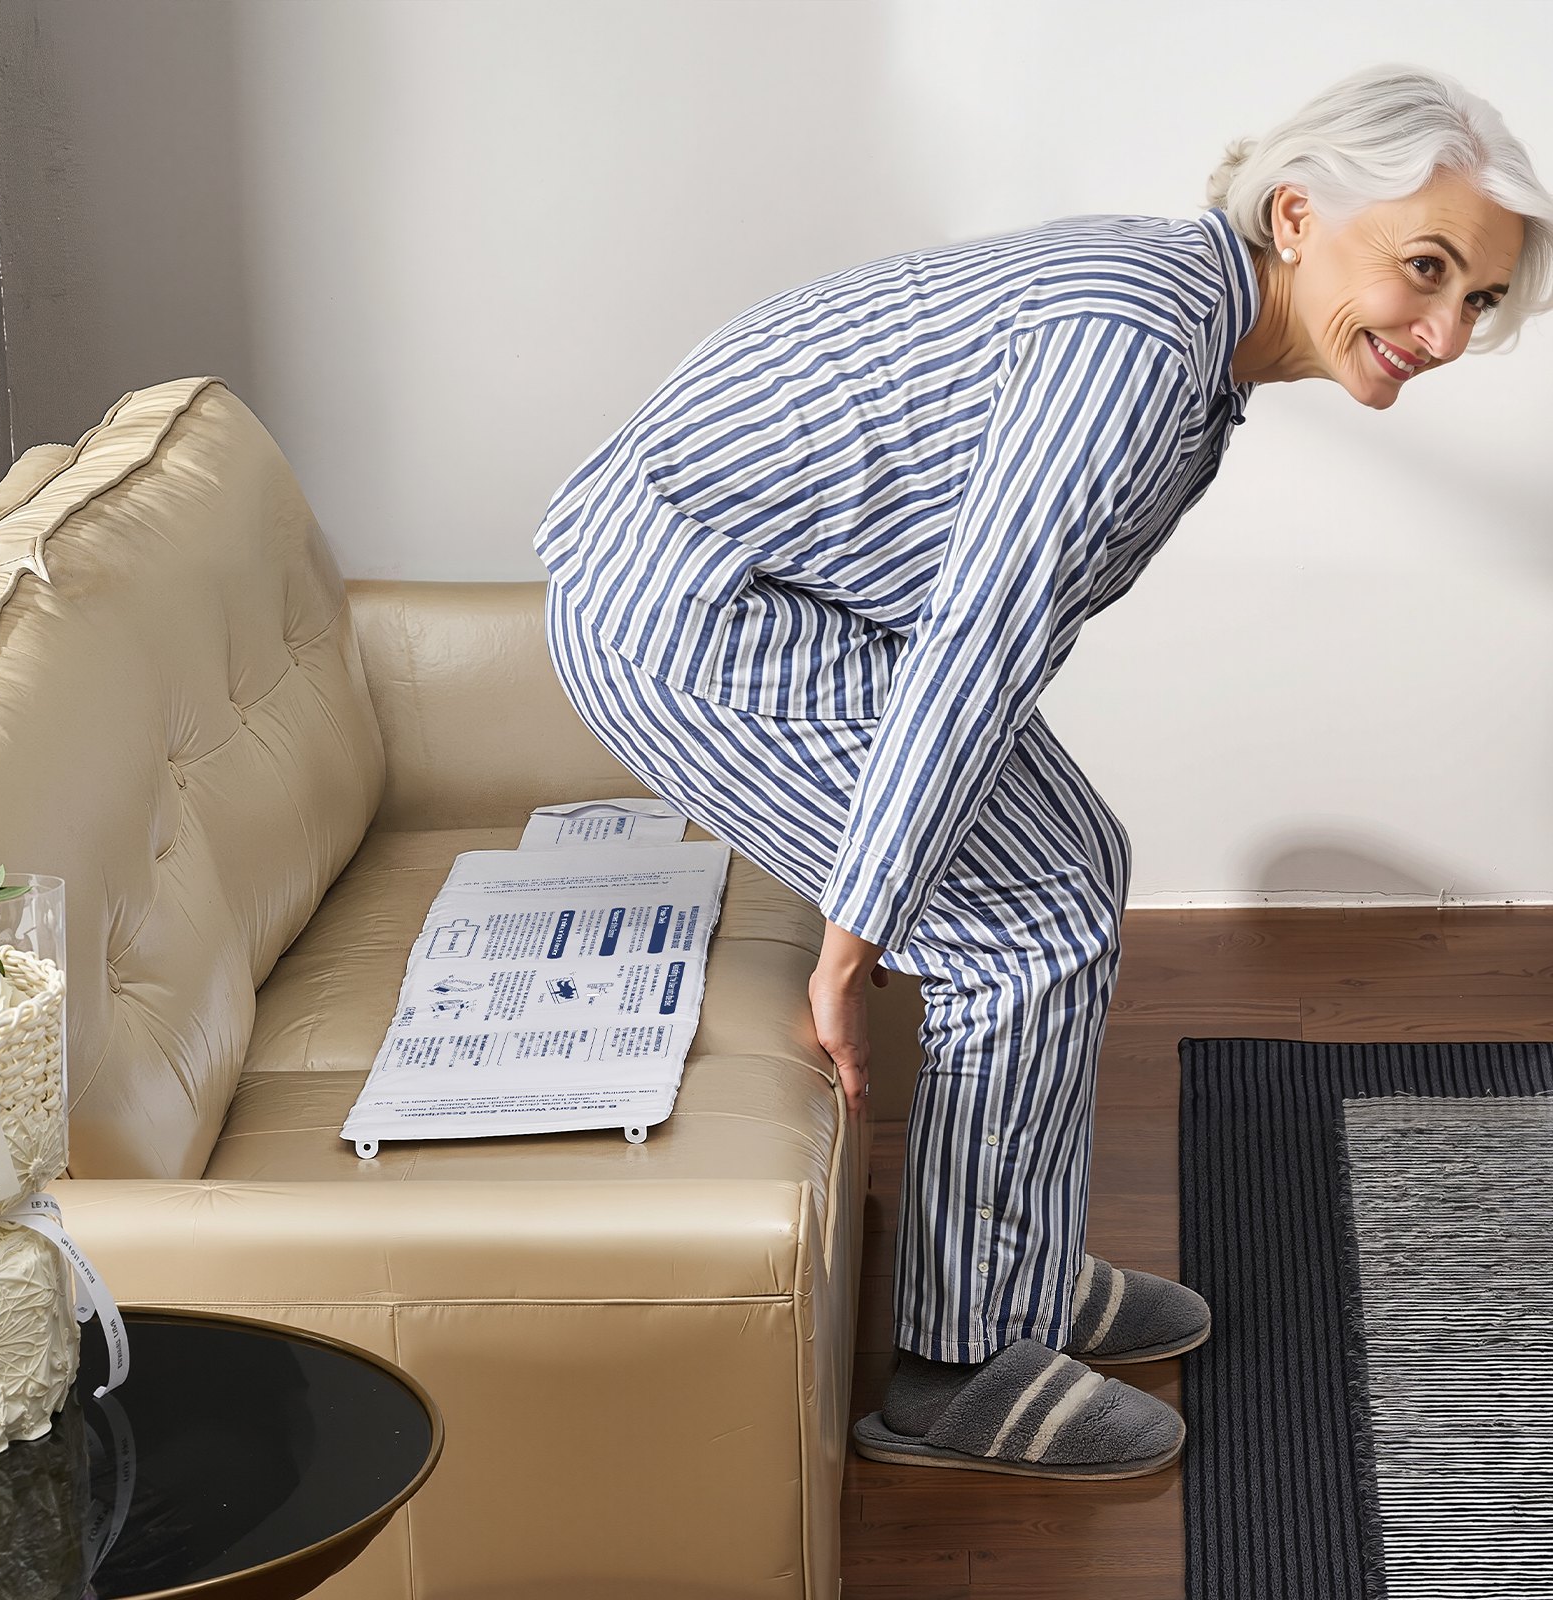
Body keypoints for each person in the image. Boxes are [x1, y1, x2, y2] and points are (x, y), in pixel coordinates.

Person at [532, 63, 1551, 1479]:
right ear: (1299, 214)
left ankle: (1009, 1273)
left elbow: (994, 608)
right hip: (699, 611)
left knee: (1079, 866)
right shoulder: (1141, 348)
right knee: (1023, 922)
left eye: (1479, 300)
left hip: (792, 598)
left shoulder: (1189, 317)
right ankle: (957, 1376)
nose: (1443, 332)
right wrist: (857, 934)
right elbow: (983, 635)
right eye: (1425, 269)